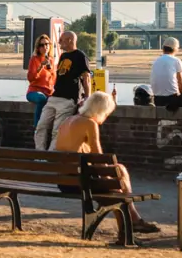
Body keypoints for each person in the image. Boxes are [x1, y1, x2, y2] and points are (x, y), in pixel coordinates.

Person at [52, 91, 161, 235]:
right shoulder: (89, 123)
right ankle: (130, 225)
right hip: (79, 183)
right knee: (116, 186)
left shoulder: (68, 120)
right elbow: (99, 158)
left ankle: (133, 221)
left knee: (119, 172)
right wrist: (110, 179)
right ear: (101, 111)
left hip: (63, 182)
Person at [35, 31, 91, 150]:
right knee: (41, 126)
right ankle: (40, 155)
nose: (59, 42)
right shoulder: (63, 56)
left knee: (57, 130)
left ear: (70, 40)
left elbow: (86, 78)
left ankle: (50, 159)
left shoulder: (80, 56)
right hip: (54, 97)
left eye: (61, 40)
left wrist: (87, 98)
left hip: (68, 99)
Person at [25, 34, 56, 129]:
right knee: (42, 99)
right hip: (34, 92)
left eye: (47, 44)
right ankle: (37, 126)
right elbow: (31, 78)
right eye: (41, 45)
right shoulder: (34, 60)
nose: (45, 47)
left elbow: (54, 79)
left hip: (48, 92)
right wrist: (40, 67)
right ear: (37, 47)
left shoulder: (51, 60)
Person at [150, 38, 182, 108]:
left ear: (163, 48)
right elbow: (181, 87)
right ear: (175, 49)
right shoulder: (176, 61)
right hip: (172, 99)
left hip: (157, 100)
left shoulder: (156, 61)